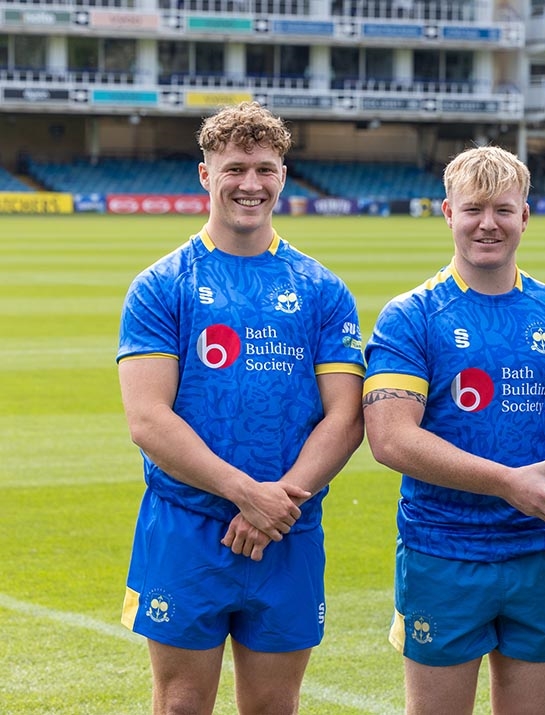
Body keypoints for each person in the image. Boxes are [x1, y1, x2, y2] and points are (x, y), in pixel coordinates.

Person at [116, 101, 366, 714]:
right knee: (179, 703)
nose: (250, 184)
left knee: (275, 706)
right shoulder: (161, 284)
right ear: (206, 175)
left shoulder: (321, 289)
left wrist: (274, 504)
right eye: (234, 169)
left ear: (283, 175)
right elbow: (148, 419)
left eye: (264, 168)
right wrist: (245, 493)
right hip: (187, 527)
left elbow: (346, 417)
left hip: (289, 529)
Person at [362, 145, 545, 715]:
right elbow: (391, 438)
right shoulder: (412, 315)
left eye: (503, 209)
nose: (488, 224)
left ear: (526, 215)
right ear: (447, 213)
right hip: (442, 553)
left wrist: (536, 488)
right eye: (473, 209)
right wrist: (507, 481)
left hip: (542, 551)